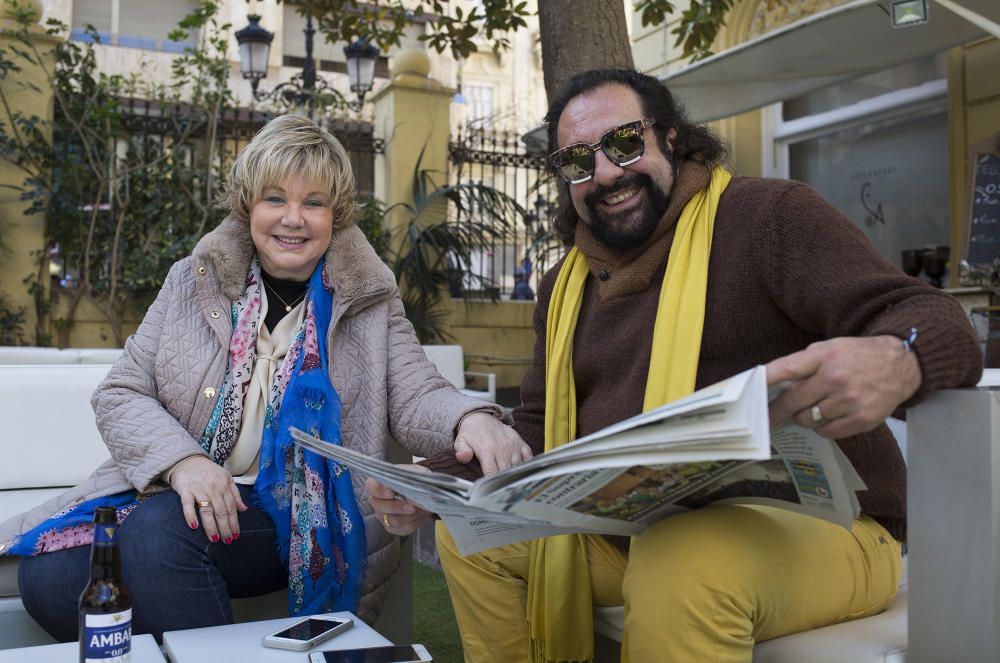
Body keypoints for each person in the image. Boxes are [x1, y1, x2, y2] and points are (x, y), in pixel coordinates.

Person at [366, 68, 984, 662]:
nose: (606, 173)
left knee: (680, 560)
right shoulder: (562, 286)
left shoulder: (768, 217)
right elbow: (537, 426)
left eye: (624, 143)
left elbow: (926, 314)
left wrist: (895, 357)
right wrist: (437, 482)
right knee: (473, 537)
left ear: (669, 136)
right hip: (634, 529)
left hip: (836, 527)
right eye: (578, 160)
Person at [0, 114, 530, 642]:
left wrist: (470, 418)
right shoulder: (192, 280)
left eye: (314, 203)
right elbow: (121, 392)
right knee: (46, 579)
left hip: (303, 514)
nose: (292, 219)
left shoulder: (369, 298)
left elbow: (417, 393)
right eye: (275, 198)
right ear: (249, 205)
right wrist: (184, 463)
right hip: (184, 496)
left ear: (336, 214)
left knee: (157, 535)